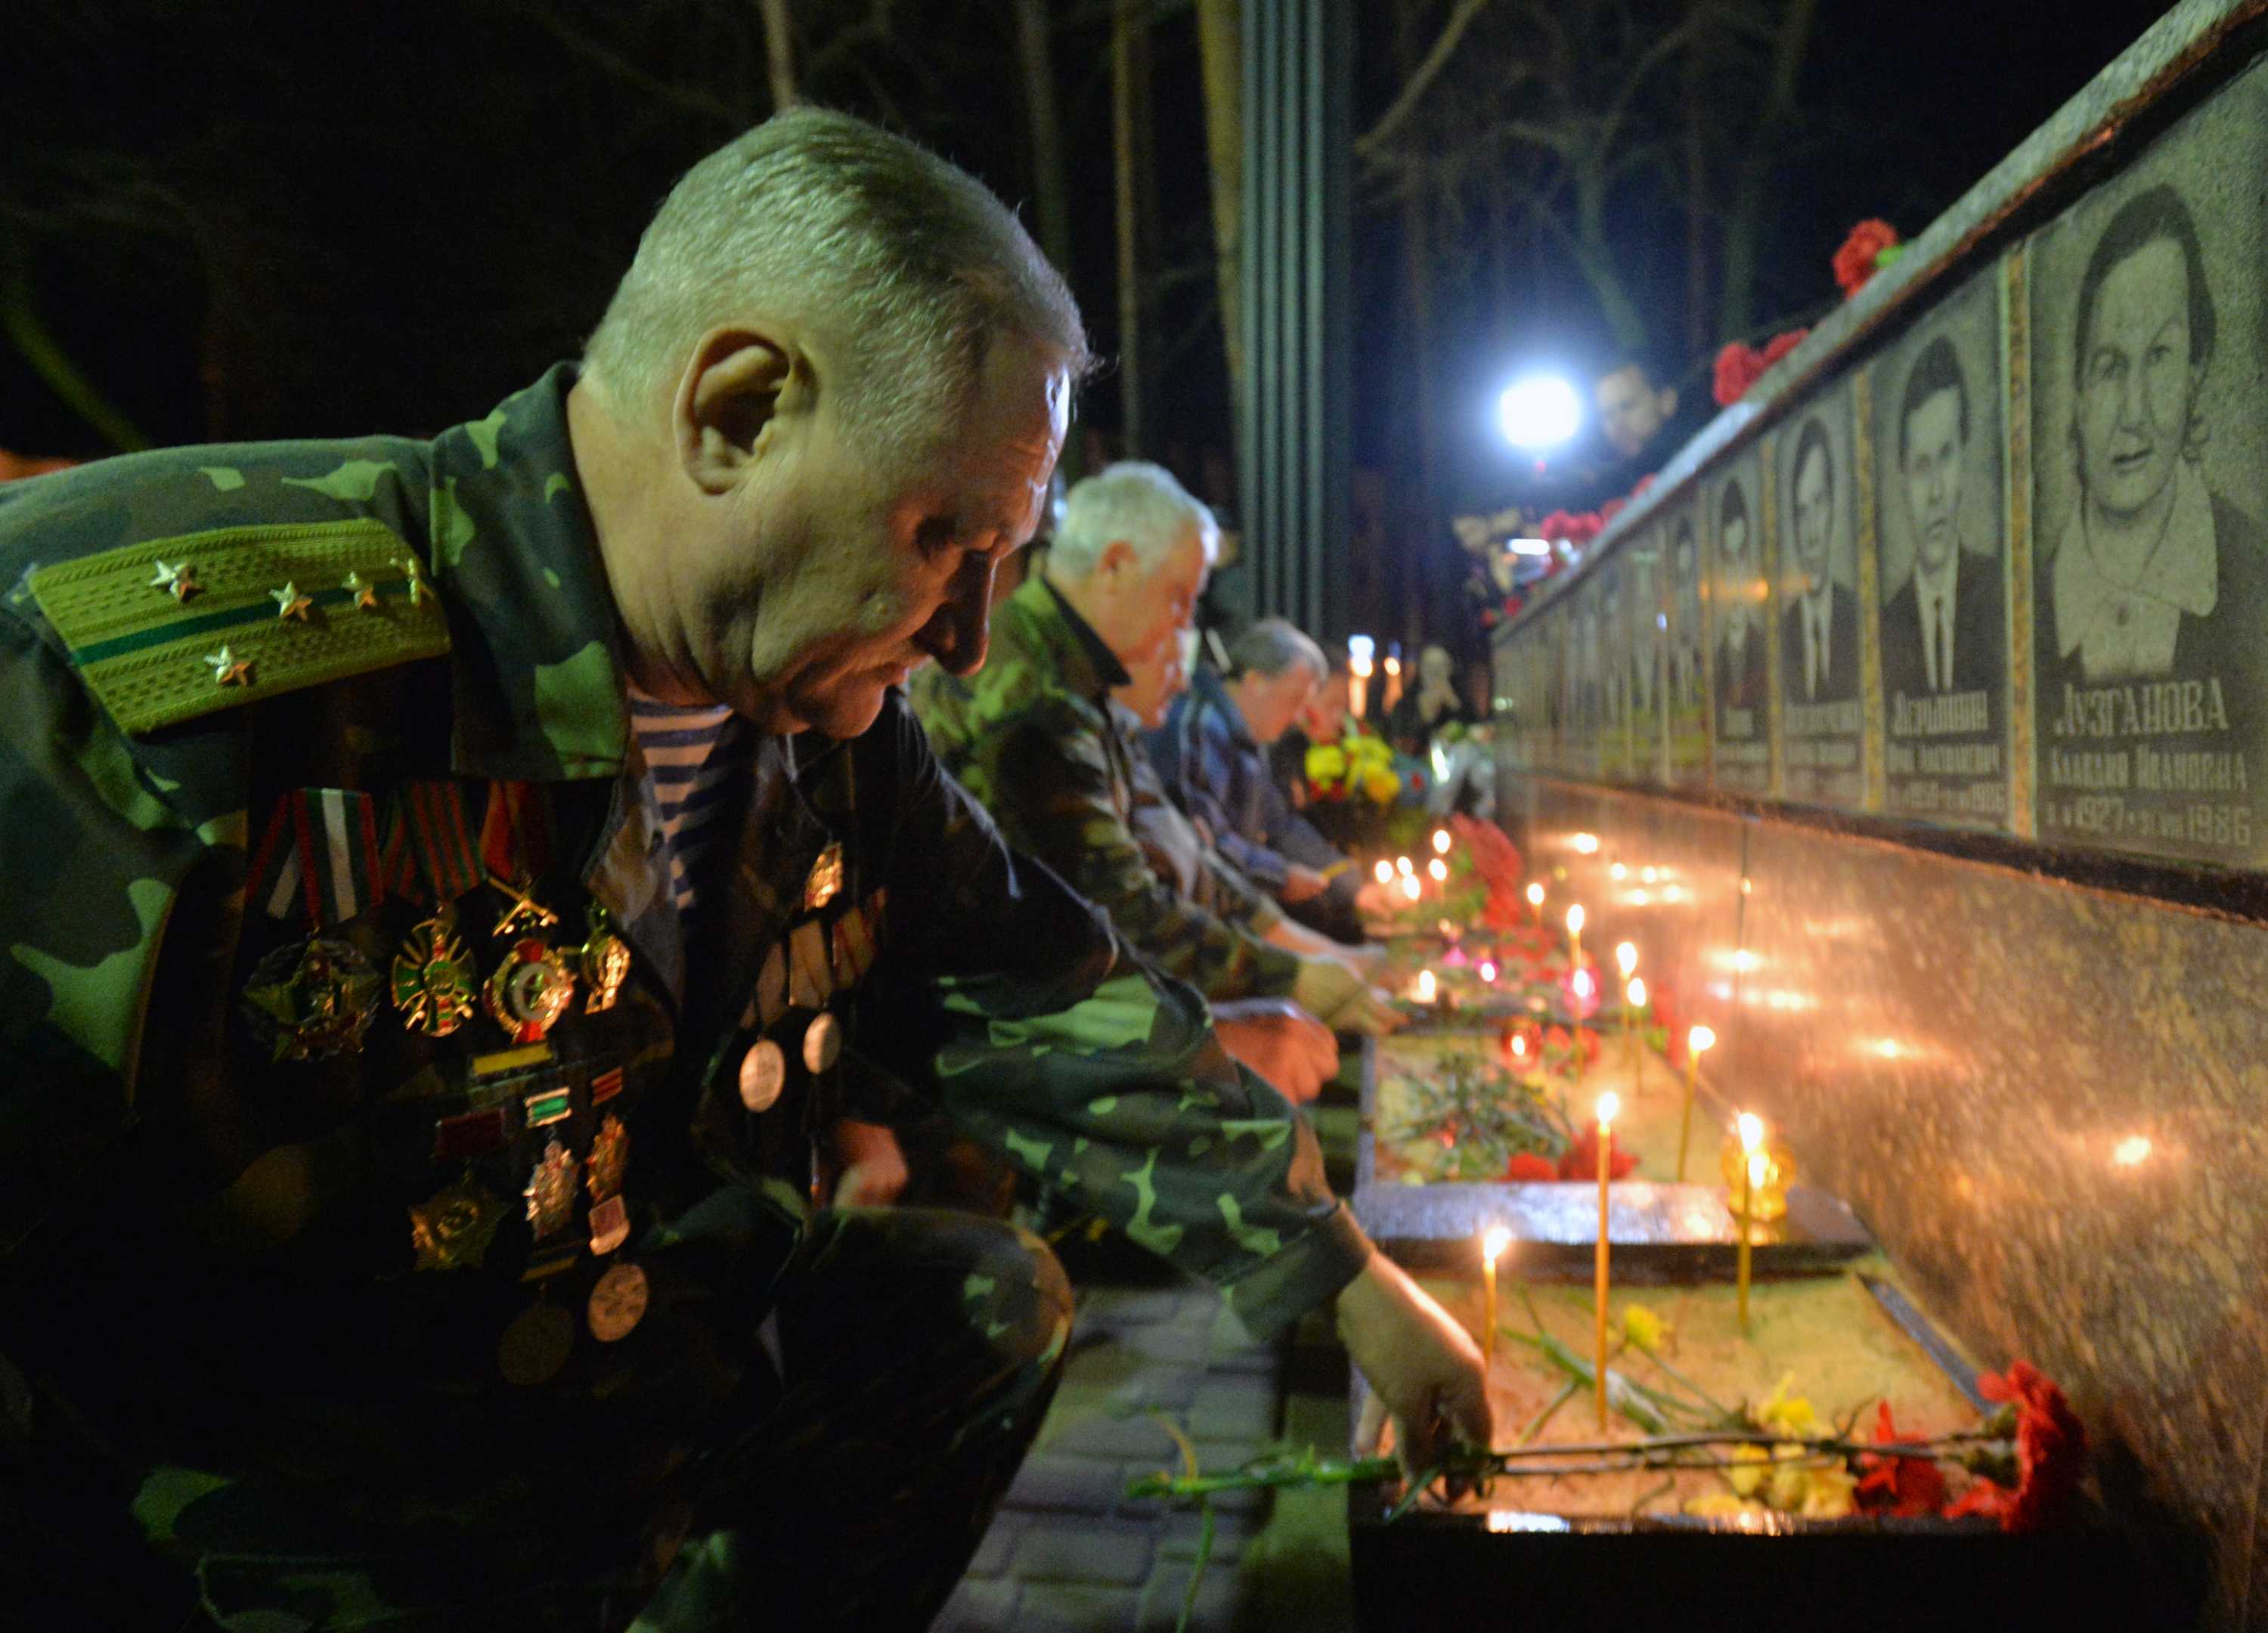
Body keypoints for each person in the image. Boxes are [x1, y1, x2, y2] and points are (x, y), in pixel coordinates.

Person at [0, 110, 1482, 1631]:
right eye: (937, 540)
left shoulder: (822, 714)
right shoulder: (159, 673)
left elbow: (1035, 987)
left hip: (605, 1399)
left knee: (971, 1309)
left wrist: (1346, 1276)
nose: (969, 637)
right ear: (736, 411)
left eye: (1003, 560)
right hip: (280, 1532)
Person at [910, 461, 1401, 1038]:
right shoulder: (1032, 691)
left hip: (1061, 990)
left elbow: (1178, 843)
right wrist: (1295, 978)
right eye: (1180, 598)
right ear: (1115, 565)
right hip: (986, 1020)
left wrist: (1302, 949)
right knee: (1262, 1100)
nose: (1184, 627)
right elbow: (1117, 907)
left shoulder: (1080, 678)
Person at [2049, 183, 2268, 689]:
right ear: (2079, 392)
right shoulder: (2038, 601)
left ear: (2197, 368)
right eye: (2109, 366)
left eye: (2160, 357)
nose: (2134, 412)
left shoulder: (2253, 570)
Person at [1152, 618, 1376, 950]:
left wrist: (1344, 878)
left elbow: (1280, 823)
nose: (1301, 714)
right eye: (1295, 698)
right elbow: (1206, 839)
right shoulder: (1204, 726)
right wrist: (1280, 875)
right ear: (1255, 680)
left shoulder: (1248, 738)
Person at [1881, 334, 2003, 702]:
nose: (1935, 492)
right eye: (1921, 466)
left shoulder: (1999, 595)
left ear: (1964, 457)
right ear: (1902, 477)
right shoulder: (1886, 626)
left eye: (1946, 455)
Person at [1780, 417, 1861, 702]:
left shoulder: (1856, 615)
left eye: (1819, 504)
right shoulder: (1783, 631)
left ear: (1833, 505)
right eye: (1802, 512)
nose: (1811, 533)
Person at [1715, 478, 1768, 718]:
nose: (1736, 578)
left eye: (1742, 561)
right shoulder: (1714, 661)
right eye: (1729, 562)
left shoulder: (1767, 648)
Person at [1383, 642, 1473, 755]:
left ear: (1450, 669)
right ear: (1420, 668)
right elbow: (1397, 741)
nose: (1435, 672)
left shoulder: (1462, 704)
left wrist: (1454, 705)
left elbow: (1476, 735)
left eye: (1441, 666)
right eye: (1429, 666)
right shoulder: (1405, 705)